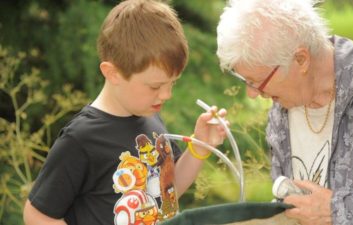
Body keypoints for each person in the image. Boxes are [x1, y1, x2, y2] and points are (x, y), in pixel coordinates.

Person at [23, 0, 227, 224]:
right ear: (113, 74)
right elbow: (36, 214)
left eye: (173, 83)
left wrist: (200, 145)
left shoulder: (150, 117)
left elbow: (168, 191)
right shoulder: (81, 139)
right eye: (155, 86)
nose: (167, 95)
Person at [216, 0, 353, 224]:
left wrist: (338, 211)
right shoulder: (282, 107)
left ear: (301, 59)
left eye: (257, 82)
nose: (253, 94)